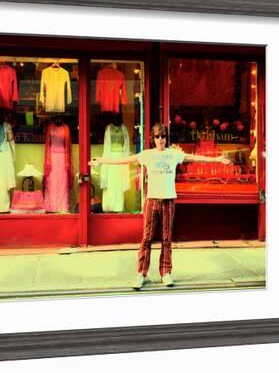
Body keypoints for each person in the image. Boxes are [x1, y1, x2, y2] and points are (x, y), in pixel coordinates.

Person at [89, 122, 231, 289]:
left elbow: (195, 157)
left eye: (163, 136)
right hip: (152, 200)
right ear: (153, 138)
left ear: (166, 138)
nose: (161, 139)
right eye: (157, 136)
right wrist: (102, 160)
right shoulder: (147, 155)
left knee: (166, 239)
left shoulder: (173, 154)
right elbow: (124, 160)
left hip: (169, 199)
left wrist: (218, 160)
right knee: (146, 239)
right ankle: (141, 273)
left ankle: (165, 272)